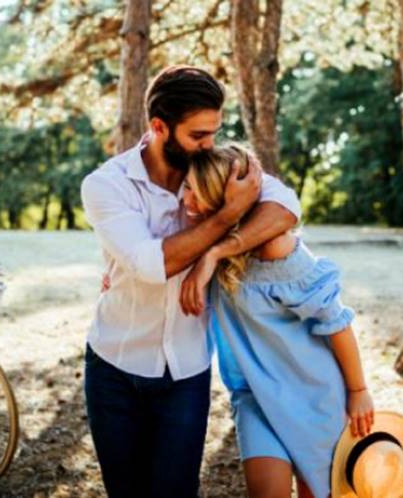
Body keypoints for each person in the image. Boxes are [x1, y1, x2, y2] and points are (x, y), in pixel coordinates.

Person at [80, 65, 301, 498]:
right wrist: (227, 215)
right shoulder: (107, 185)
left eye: (214, 133)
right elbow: (151, 264)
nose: (209, 145)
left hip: (187, 372)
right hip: (114, 368)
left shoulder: (216, 167)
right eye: (198, 135)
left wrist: (215, 252)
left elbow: (287, 207)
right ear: (159, 127)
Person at [179, 143, 375, 498]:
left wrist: (358, 391)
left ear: (224, 200)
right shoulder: (202, 239)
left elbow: (336, 322)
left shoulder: (274, 247)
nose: (186, 199)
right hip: (254, 397)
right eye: (186, 187)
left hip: (313, 395)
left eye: (197, 191)